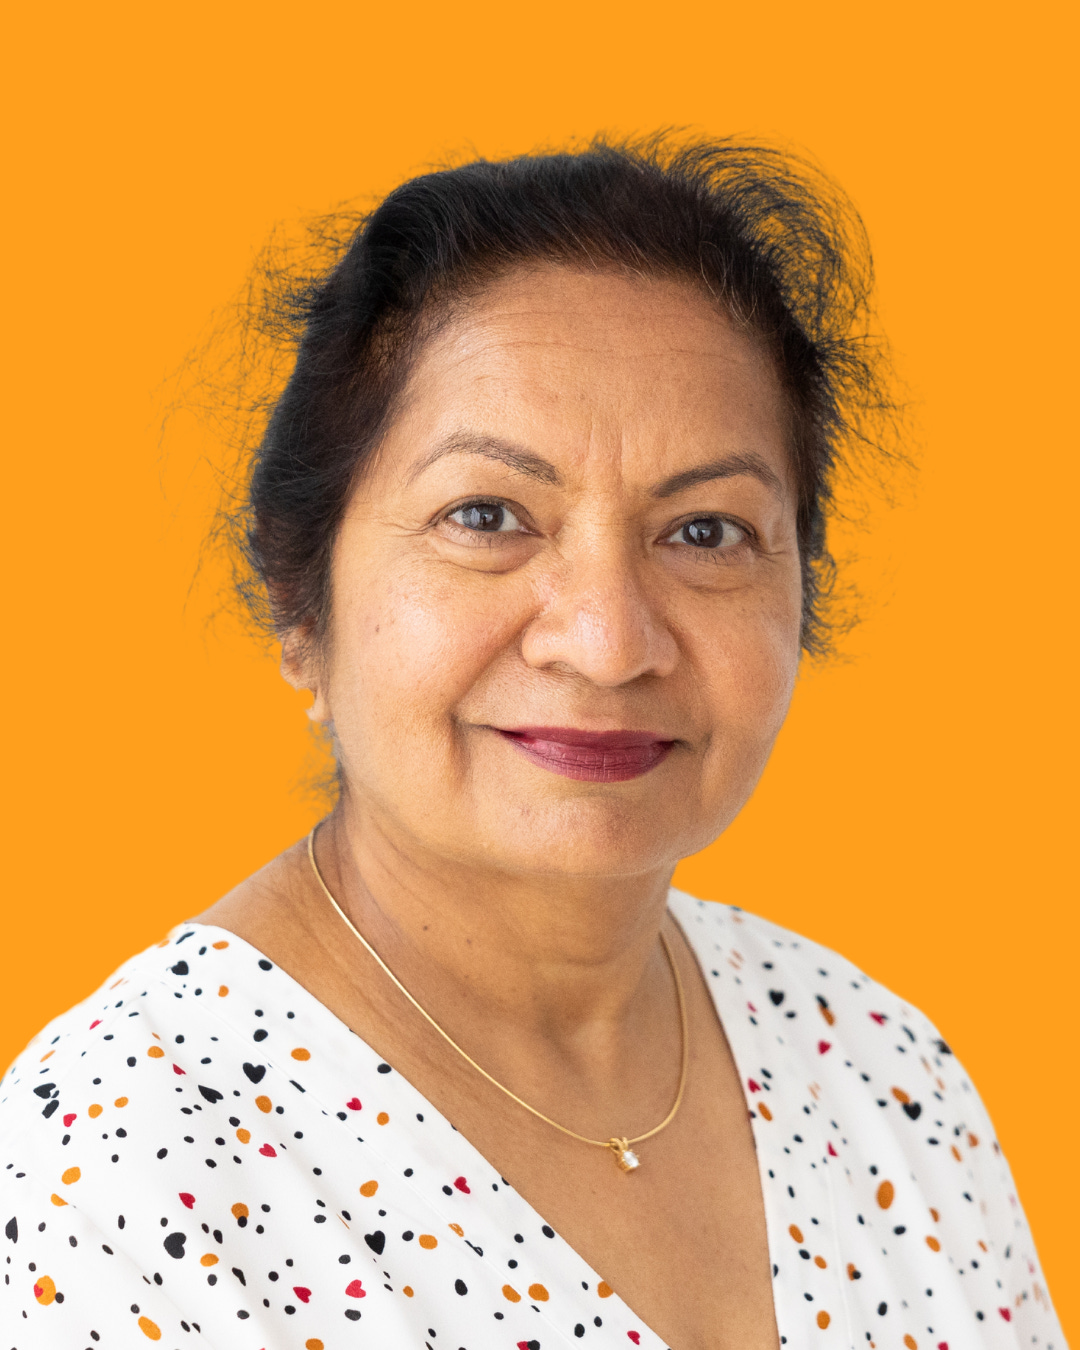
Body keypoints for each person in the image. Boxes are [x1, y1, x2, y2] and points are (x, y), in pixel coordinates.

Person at [0, 137, 1065, 1350]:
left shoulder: (883, 1077)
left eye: (705, 532)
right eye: (487, 515)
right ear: (303, 609)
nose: (608, 643)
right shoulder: (112, 1176)